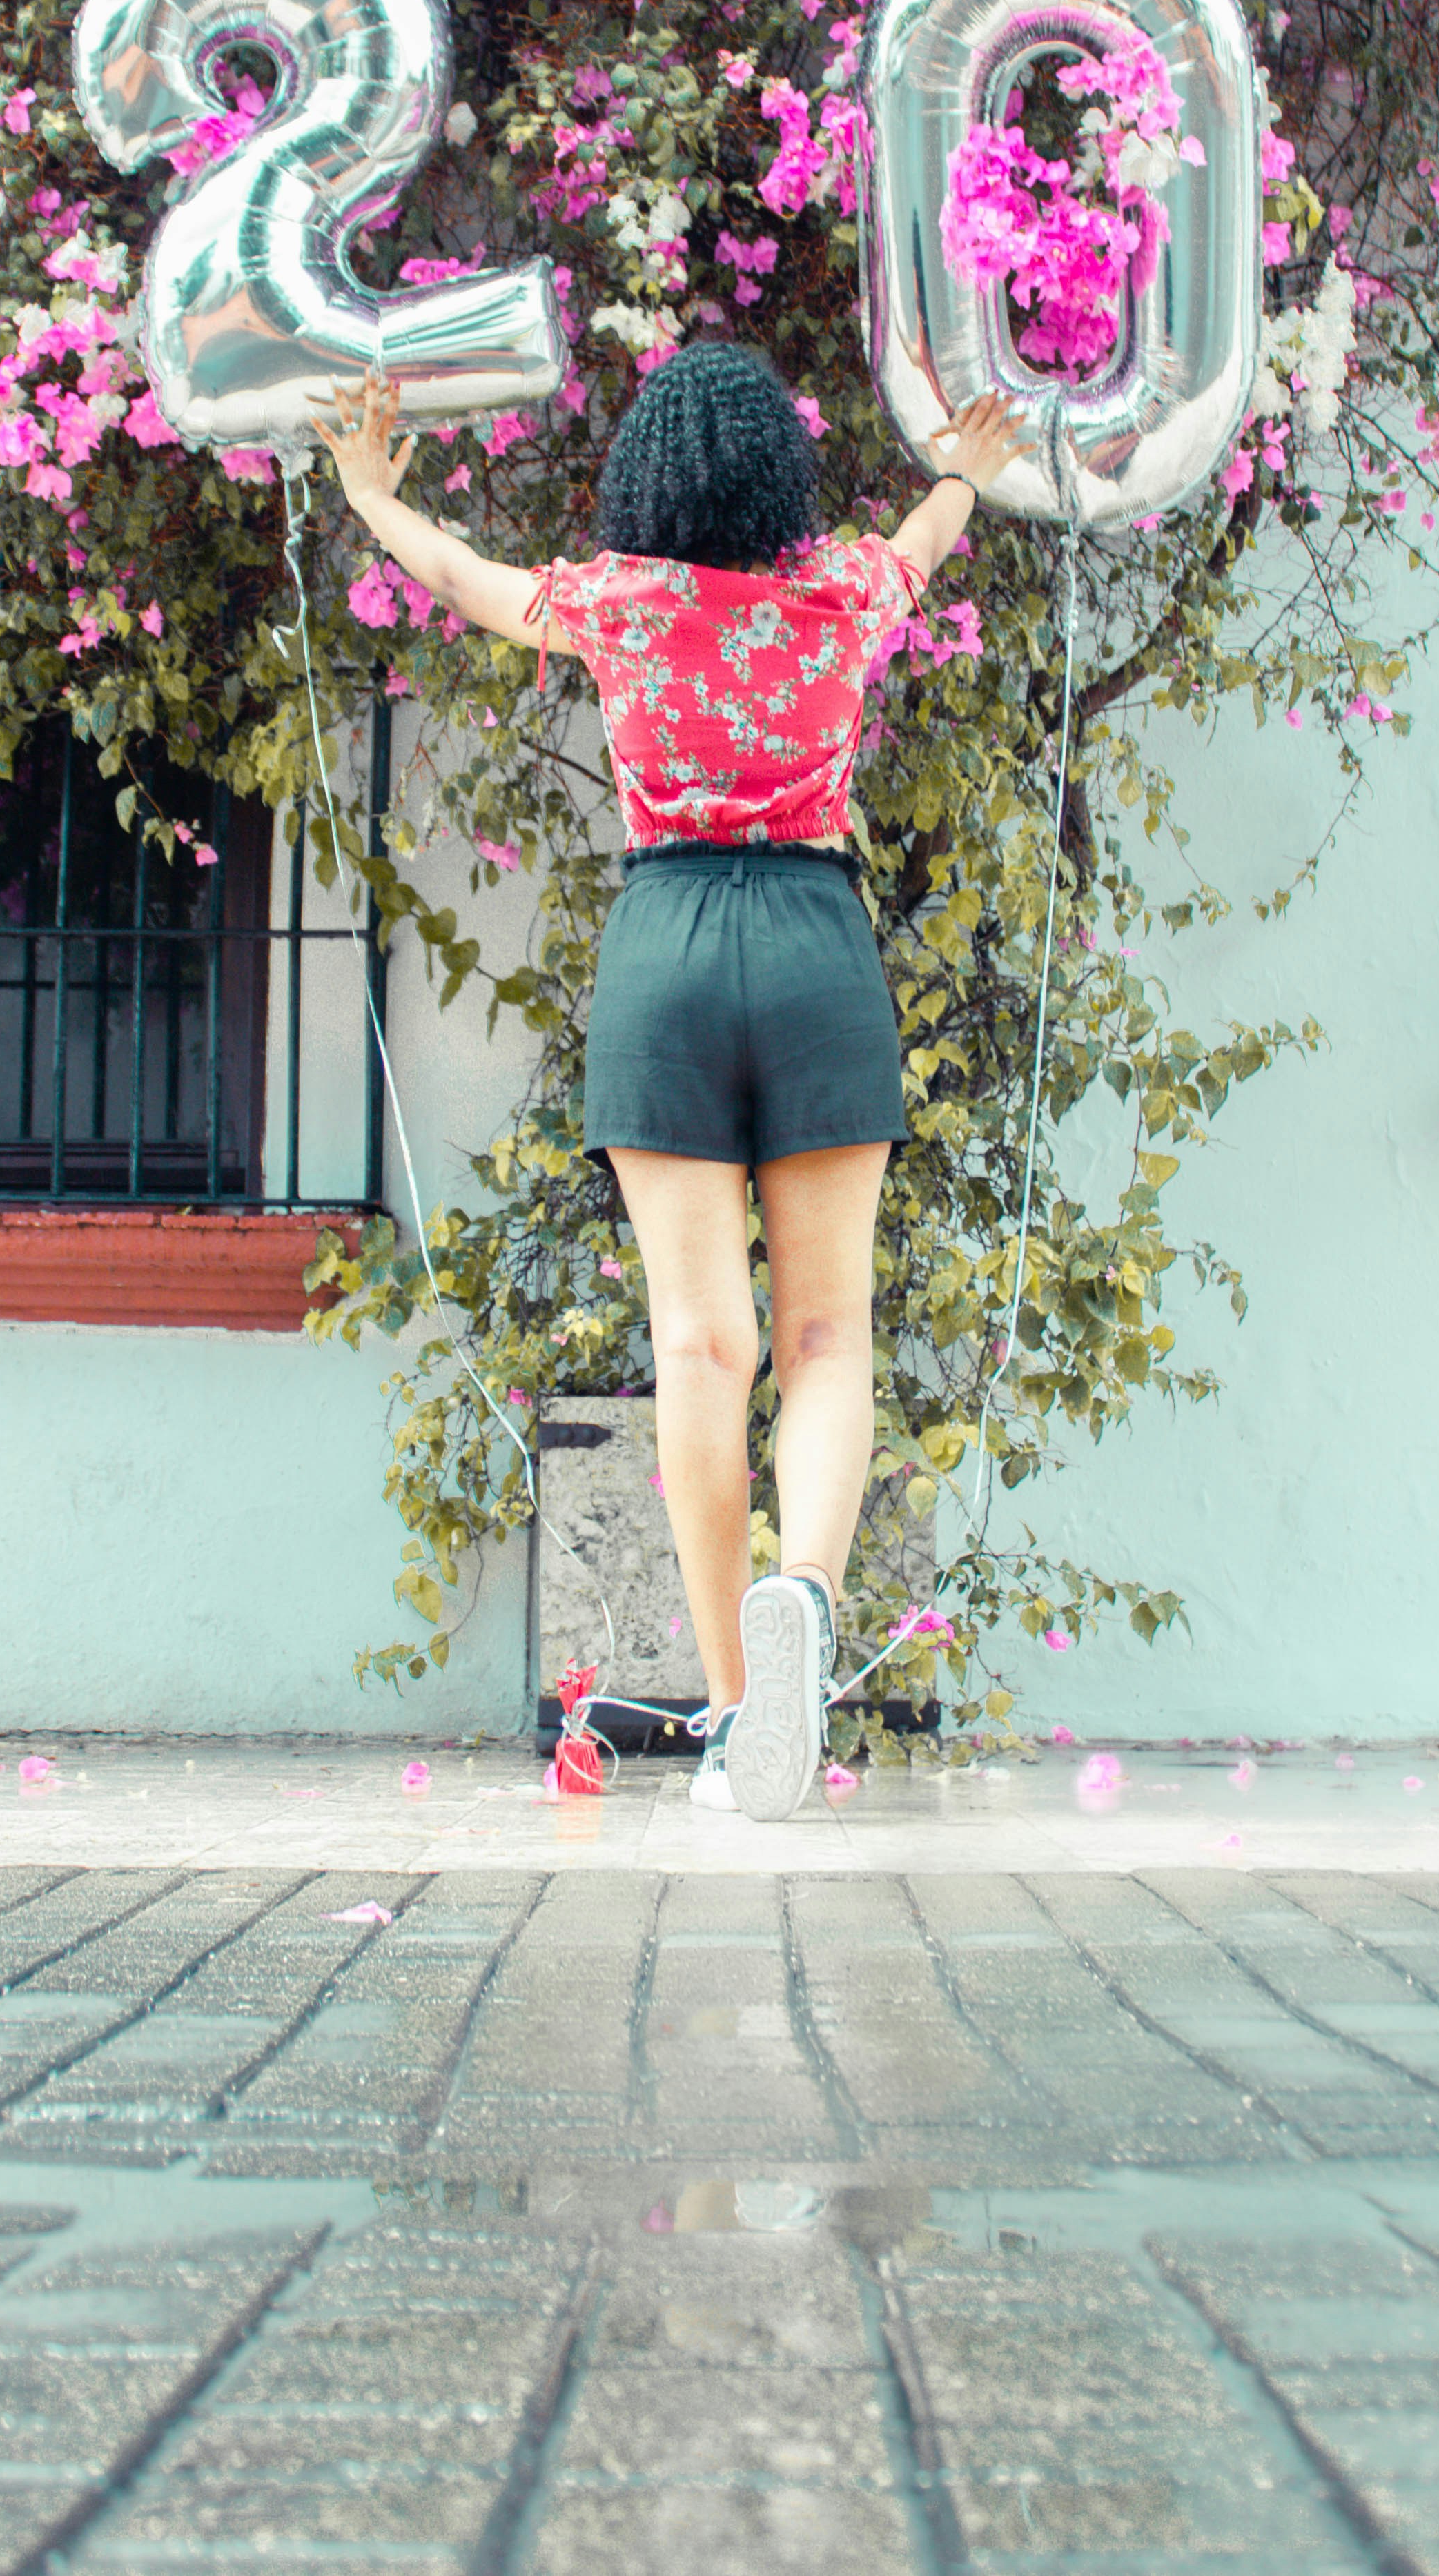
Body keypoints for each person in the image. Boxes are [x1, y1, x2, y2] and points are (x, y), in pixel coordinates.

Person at [313, 340, 1030, 1820]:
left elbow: (467, 582)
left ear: (647, 470)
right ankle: (807, 1597)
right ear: (780, 470)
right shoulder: (836, 588)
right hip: (817, 944)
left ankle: (733, 1707)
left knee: (705, 1348)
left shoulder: (623, 604)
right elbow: (919, 540)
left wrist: (375, 493)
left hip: (667, 953)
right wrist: (964, 465)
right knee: (830, 1330)